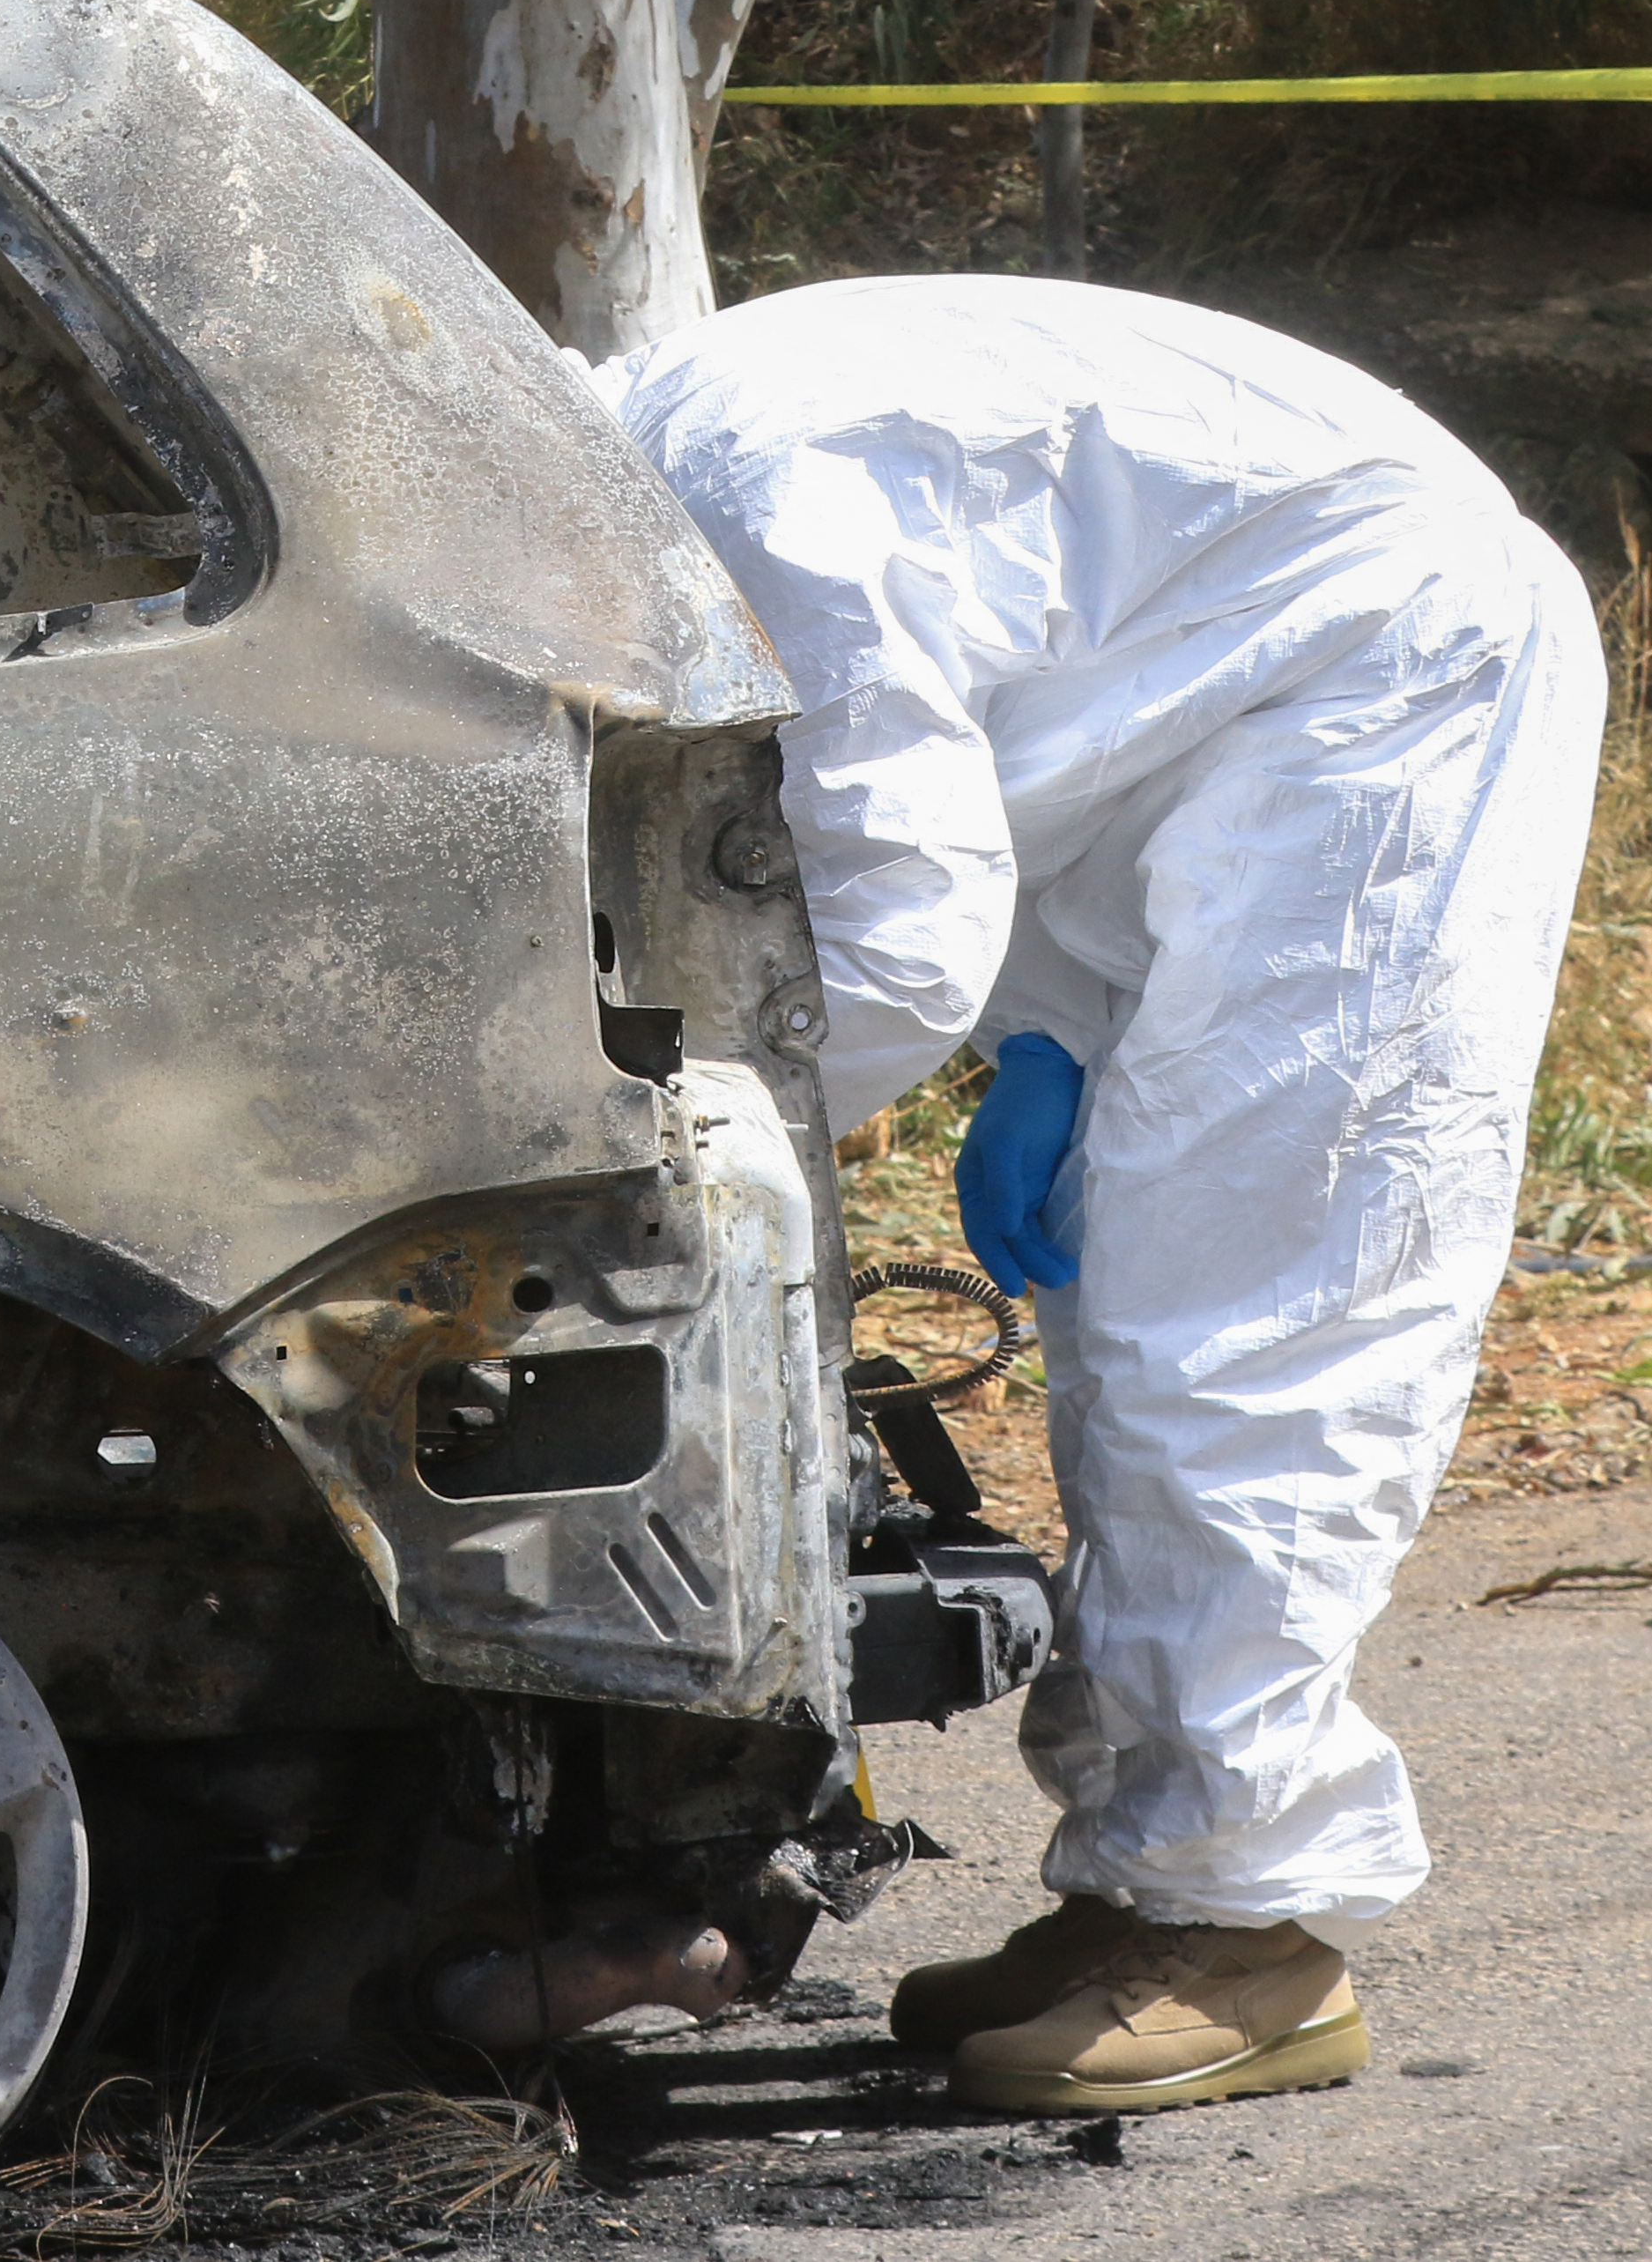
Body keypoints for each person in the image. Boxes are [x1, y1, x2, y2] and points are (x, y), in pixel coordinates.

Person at [595, 273, 1604, 2117]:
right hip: (1212, 727)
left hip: (1391, 695)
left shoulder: (726, 486)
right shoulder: (674, 451)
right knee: (1130, 1347)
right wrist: (1046, 1034)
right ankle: (1150, 1882)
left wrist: (611, 1156)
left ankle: (1248, 1937)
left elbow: (887, 935)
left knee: (1250, 1333)